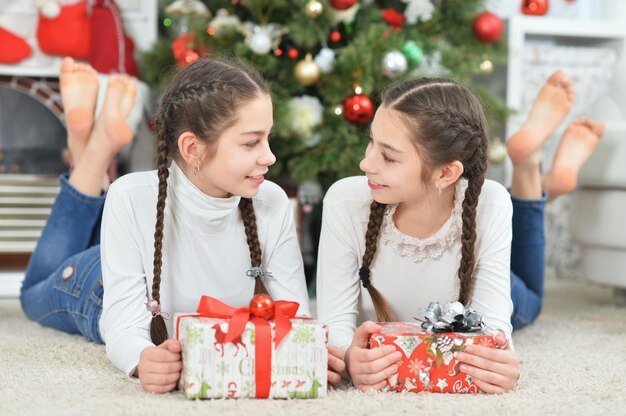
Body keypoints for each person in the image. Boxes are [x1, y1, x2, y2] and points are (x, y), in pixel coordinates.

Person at [20, 56, 310, 394]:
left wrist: (312, 350)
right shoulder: (131, 196)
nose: (270, 156)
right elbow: (124, 324)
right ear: (192, 148)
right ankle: (93, 150)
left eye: (268, 138)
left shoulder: (272, 202)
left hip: (138, 257)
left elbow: (296, 316)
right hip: (97, 287)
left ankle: (86, 148)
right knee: (31, 295)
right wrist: (141, 357)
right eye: (251, 142)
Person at [317, 71, 604, 393]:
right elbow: (333, 330)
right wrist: (347, 358)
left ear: (446, 172)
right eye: (371, 142)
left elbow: (493, 330)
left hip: (471, 285)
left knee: (530, 300)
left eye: (388, 156)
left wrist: (498, 361)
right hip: (463, 231)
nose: (365, 163)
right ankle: (540, 183)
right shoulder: (346, 200)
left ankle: (528, 167)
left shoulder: (488, 204)